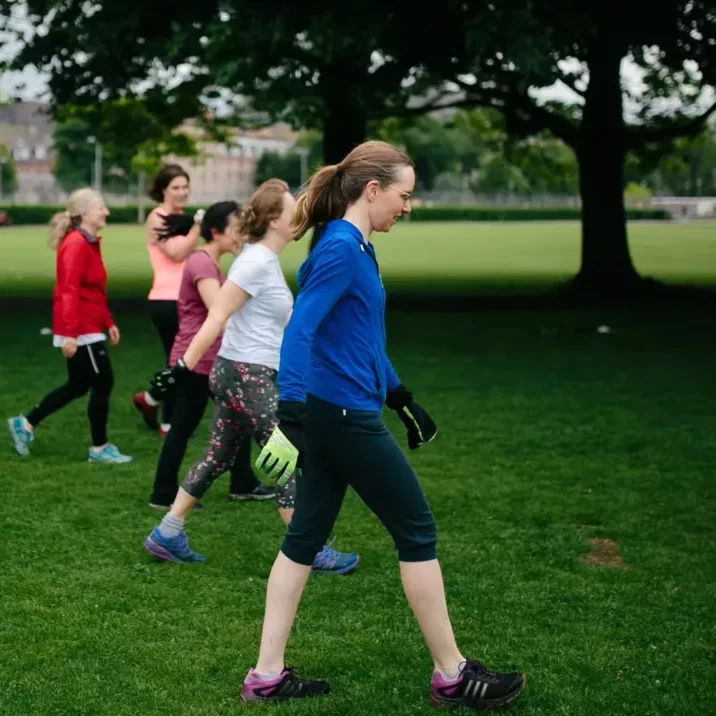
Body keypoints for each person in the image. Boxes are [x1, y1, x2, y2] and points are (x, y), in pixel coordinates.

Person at [241, 141, 526, 708]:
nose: (409, 205)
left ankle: (266, 676)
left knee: (303, 538)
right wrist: (290, 416)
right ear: (372, 191)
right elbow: (300, 330)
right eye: (404, 194)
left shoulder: (355, 246)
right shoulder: (344, 248)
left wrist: (400, 396)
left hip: (341, 409)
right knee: (416, 530)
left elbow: (360, 336)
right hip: (340, 417)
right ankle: (452, 674)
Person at [143, 179, 358, 575]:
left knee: (217, 457)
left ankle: (167, 533)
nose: (298, 212)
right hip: (246, 374)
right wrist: (181, 368)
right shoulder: (254, 262)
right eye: (292, 206)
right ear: (275, 219)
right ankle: (308, 550)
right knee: (284, 453)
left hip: (241, 371)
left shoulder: (265, 261)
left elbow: (282, 321)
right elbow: (218, 316)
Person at [146, 200, 276, 509]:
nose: (240, 236)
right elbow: (220, 311)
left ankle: (242, 482)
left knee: (239, 418)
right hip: (197, 361)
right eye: (235, 230)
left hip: (208, 358)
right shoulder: (202, 263)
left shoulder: (207, 262)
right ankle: (163, 493)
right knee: (184, 426)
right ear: (216, 232)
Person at [7, 188, 132, 464]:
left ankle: (24, 423)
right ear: (85, 213)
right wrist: (71, 334)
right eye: (101, 207)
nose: (106, 212)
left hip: (88, 325)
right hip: (81, 329)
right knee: (103, 381)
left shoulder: (87, 242)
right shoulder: (76, 243)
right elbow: (68, 291)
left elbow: (94, 290)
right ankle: (99, 449)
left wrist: (108, 321)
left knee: (78, 385)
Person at [133, 164, 203, 437]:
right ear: (163, 190)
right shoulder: (157, 218)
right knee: (180, 361)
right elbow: (177, 253)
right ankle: (163, 417)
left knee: (182, 361)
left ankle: (152, 403)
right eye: (176, 187)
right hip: (166, 299)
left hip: (184, 298)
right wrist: (198, 227)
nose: (182, 192)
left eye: (185, 186)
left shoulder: (181, 218)